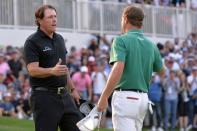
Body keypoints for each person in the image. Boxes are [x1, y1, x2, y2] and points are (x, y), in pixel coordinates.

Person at [97, 5, 165, 131]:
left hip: (125, 98)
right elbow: (162, 71)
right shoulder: (151, 45)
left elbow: (118, 68)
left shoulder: (120, 40)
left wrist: (104, 96)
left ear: (125, 18)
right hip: (143, 99)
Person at [23, 5, 82, 131]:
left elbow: (63, 68)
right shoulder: (32, 41)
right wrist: (51, 71)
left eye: (55, 16)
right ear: (39, 20)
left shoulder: (59, 39)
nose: (54, 20)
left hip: (65, 96)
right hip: (44, 97)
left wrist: (73, 89)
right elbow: (32, 70)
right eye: (50, 17)